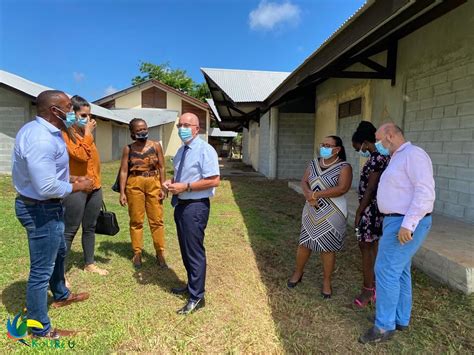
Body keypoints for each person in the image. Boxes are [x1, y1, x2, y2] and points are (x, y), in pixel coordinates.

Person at [12, 90, 93, 339]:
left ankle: (61, 293)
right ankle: (39, 327)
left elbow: (46, 174)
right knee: (41, 270)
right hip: (40, 209)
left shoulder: (49, 132)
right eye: (68, 107)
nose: (72, 111)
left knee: (59, 251)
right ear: (54, 110)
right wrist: (79, 186)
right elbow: (45, 187)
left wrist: (70, 178)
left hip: (47, 206)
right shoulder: (40, 139)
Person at [359, 123, 435, 344]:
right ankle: (400, 318)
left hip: (405, 220)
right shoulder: (397, 157)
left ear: (390, 136)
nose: (376, 143)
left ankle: (383, 327)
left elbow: (424, 191)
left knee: (385, 270)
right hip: (395, 220)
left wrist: (408, 224)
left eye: (378, 138)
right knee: (400, 271)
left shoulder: (413, 154)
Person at [164, 112, 220, 315]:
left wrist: (185, 187)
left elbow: (213, 180)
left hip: (195, 206)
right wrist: (171, 183)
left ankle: (197, 296)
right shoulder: (180, 151)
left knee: (194, 251)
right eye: (180, 124)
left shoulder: (206, 150)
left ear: (197, 128)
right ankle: (191, 285)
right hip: (181, 204)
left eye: (187, 124)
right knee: (186, 249)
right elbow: (180, 175)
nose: (182, 128)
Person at [287, 136, 352, 298]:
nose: (324, 147)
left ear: (337, 150)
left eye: (328, 145)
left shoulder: (344, 167)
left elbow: (342, 188)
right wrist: (308, 194)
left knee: (327, 248)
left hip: (333, 211)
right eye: (323, 144)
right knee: (304, 243)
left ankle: (326, 281)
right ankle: (298, 272)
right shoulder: (314, 163)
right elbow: (304, 181)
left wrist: (316, 194)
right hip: (311, 208)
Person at [62, 95, 108, 277]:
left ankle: (89, 263)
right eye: (83, 115)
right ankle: (61, 273)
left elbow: (92, 160)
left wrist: (97, 182)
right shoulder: (65, 134)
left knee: (90, 227)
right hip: (77, 188)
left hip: (94, 187)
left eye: (89, 115)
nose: (88, 120)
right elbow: (80, 155)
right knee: (70, 230)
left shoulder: (84, 134)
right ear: (71, 114)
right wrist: (88, 133)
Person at [119, 118, 167, 269]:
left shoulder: (156, 145)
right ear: (132, 133)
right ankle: (137, 253)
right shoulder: (128, 148)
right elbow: (124, 170)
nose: (142, 131)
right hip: (134, 184)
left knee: (157, 220)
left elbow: (162, 167)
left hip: (153, 182)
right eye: (138, 130)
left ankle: (160, 252)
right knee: (136, 220)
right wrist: (122, 192)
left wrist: (163, 187)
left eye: (144, 128)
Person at [351, 121, 389, 308]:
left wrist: (359, 211)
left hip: (371, 210)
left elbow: (371, 187)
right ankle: (373, 286)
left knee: (365, 246)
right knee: (371, 245)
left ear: (365, 143)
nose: (360, 151)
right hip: (372, 209)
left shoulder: (376, 158)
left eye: (358, 147)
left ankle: (368, 290)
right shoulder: (379, 157)